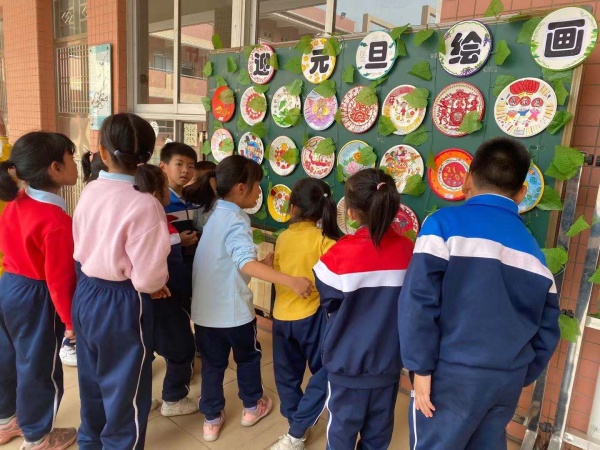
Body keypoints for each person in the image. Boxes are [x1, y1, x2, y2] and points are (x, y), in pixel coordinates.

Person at [398, 137, 560, 450]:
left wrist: (421, 367)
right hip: (506, 379)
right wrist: (518, 373)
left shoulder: (442, 225)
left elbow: (417, 302)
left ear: (467, 180)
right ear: (522, 193)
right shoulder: (535, 253)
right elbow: (548, 329)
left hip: (450, 374)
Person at [183, 155, 312, 442]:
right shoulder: (237, 219)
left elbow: (228, 261)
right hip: (233, 314)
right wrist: (290, 281)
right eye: (257, 187)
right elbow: (243, 262)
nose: (259, 193)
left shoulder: (216, 213)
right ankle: (253, 407)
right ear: (241, 188)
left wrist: (262, 263)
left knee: (213, 365)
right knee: (248, 358)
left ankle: (211, 419)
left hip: (205, 313)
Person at [72, 113, 171, 450]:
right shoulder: (147, 205)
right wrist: (153, 282)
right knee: (125, 389)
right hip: (123, 302)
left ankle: (89, 442)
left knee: (91, 380)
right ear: (149, 155)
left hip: (86, 291)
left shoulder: (90, 191)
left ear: (102, 152)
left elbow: (81, 243)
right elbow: (149, 279)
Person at [313, 169, 414, 450]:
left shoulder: (338, 254)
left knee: (341, 434)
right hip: (388, 364)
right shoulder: (409, 251)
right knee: (378, 435)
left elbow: (328, 301)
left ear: (352, 213)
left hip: (347, 365)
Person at [0, 132, 79, 449]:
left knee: (7, 355)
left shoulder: (16, 202)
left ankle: (6, 420)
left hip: (9, 285)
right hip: (36, 294)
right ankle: (37, 437)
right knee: (39, 366)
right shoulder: (56, 221)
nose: (76, 163)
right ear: (55, 168)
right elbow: (60, 280)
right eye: (71, 157)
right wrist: (70, 322)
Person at [269, 178, 340, 450]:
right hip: (312, 318)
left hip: (280, 317)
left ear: (292, 207)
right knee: (323, 372)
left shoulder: (282, 237)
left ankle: (295, 424)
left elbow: (277, 271)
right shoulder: (326, 241)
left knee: (286, 377)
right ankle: (299, 427)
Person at [134, 163, 198, 417]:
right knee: (182, 349)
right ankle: (174, 398)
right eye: (164, 185)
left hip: (138, 303)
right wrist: (187, 293)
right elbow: (175, 272)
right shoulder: (163, 229)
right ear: (156, 193)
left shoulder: (132, 223)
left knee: (142, 354)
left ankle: (141, 401)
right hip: (168, 302)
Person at [58, 151, 109, 368]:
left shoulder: (91, 189)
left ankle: (75, 340)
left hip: (86, 262)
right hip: (91, 264)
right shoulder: (99, 191)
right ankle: (70, 342)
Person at [160, 142, 200, 265]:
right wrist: (178, 241)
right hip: (170, 268)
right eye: (179, 164)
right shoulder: (159, 202)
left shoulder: (194, 200)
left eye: (191, 166)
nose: (185, 170)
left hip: (194, 266)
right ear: (163, 167)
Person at [190, 160, 217, 233]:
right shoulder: (188, 202)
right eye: (197, 180)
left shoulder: (221, 203)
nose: (201, 184)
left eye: (205, 181)